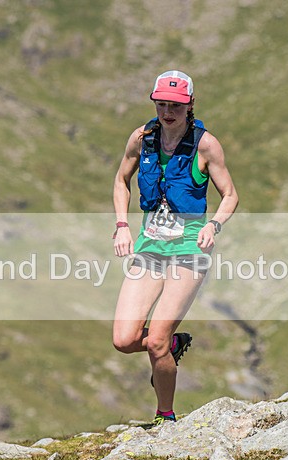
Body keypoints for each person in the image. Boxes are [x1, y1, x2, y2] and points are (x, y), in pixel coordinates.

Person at [111, 70, 239, 426]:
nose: (168, 111)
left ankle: (165, 417)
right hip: (150, 247)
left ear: (190, 105)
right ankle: (174, 343)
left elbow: (230, 195)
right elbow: (122, 180)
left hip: (189, 250)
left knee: (155, 342)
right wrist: (122, 225)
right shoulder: (142, 139)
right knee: (124, 339)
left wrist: (214, 225)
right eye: (162, 104)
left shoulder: (206, 145)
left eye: (176, 106)